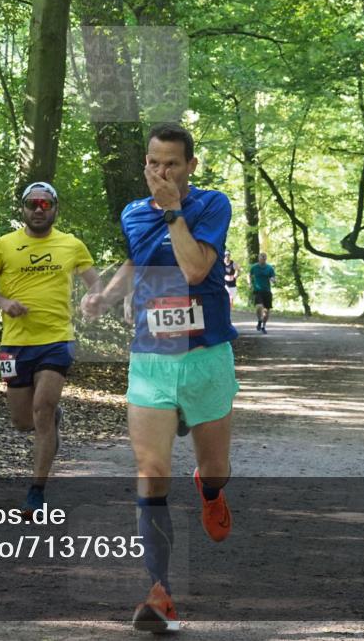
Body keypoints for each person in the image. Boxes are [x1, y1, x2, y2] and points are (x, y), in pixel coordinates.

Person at [82, 122, 238, 633]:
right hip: (150, 358)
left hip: (205, 355)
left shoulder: (212, 206)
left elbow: (195, 270)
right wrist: (106, 294)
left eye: (171, 163)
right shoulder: (131, 212)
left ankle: (210, 490)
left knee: (216, 468)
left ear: (191, 165)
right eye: (153, 163)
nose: (160, 171)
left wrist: (173, 210)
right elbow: (136, 258)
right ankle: (160, 594)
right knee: (150, 472)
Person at [0, 182, 102, 516]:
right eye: (33, 204)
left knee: (41, 408)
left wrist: (94, 298)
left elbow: (95, 284)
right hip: (15, 344)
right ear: (23, 209)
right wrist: (3, 302)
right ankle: (52, 418)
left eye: (45, 204)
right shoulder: (4, 245)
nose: (39, 210)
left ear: (55, 208)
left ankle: (36, 490)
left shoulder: (71, 245)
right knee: (21, 421)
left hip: (57, 340)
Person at [249, 252, 276, 333]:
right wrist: (250, 283)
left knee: (266, 311)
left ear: (266, 259)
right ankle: (259, 321)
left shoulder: (269, 268)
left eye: (264, 258)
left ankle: (263, 326)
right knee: (259, 307)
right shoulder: (254, 267)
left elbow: (273, 277)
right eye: (261, 258)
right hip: (258, 291)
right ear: (259, 258)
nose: (263, 259)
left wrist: (273, 280)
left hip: (267, 291)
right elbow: (249, 275)